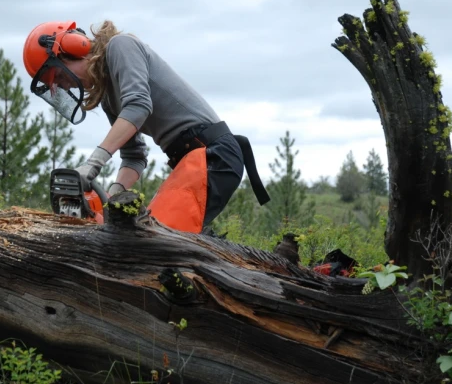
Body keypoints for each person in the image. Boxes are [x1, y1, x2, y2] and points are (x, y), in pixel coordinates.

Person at [22, 20, 269, 234]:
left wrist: (93, 164)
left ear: (76, 48)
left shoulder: (121, 46)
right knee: (142, 233)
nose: (66, 86)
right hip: (190, 161)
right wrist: (113, 195)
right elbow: (134, 156)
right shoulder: (109, 96)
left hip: (212, 155)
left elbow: (139, 106)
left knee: (157, 240)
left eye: (62, 76)